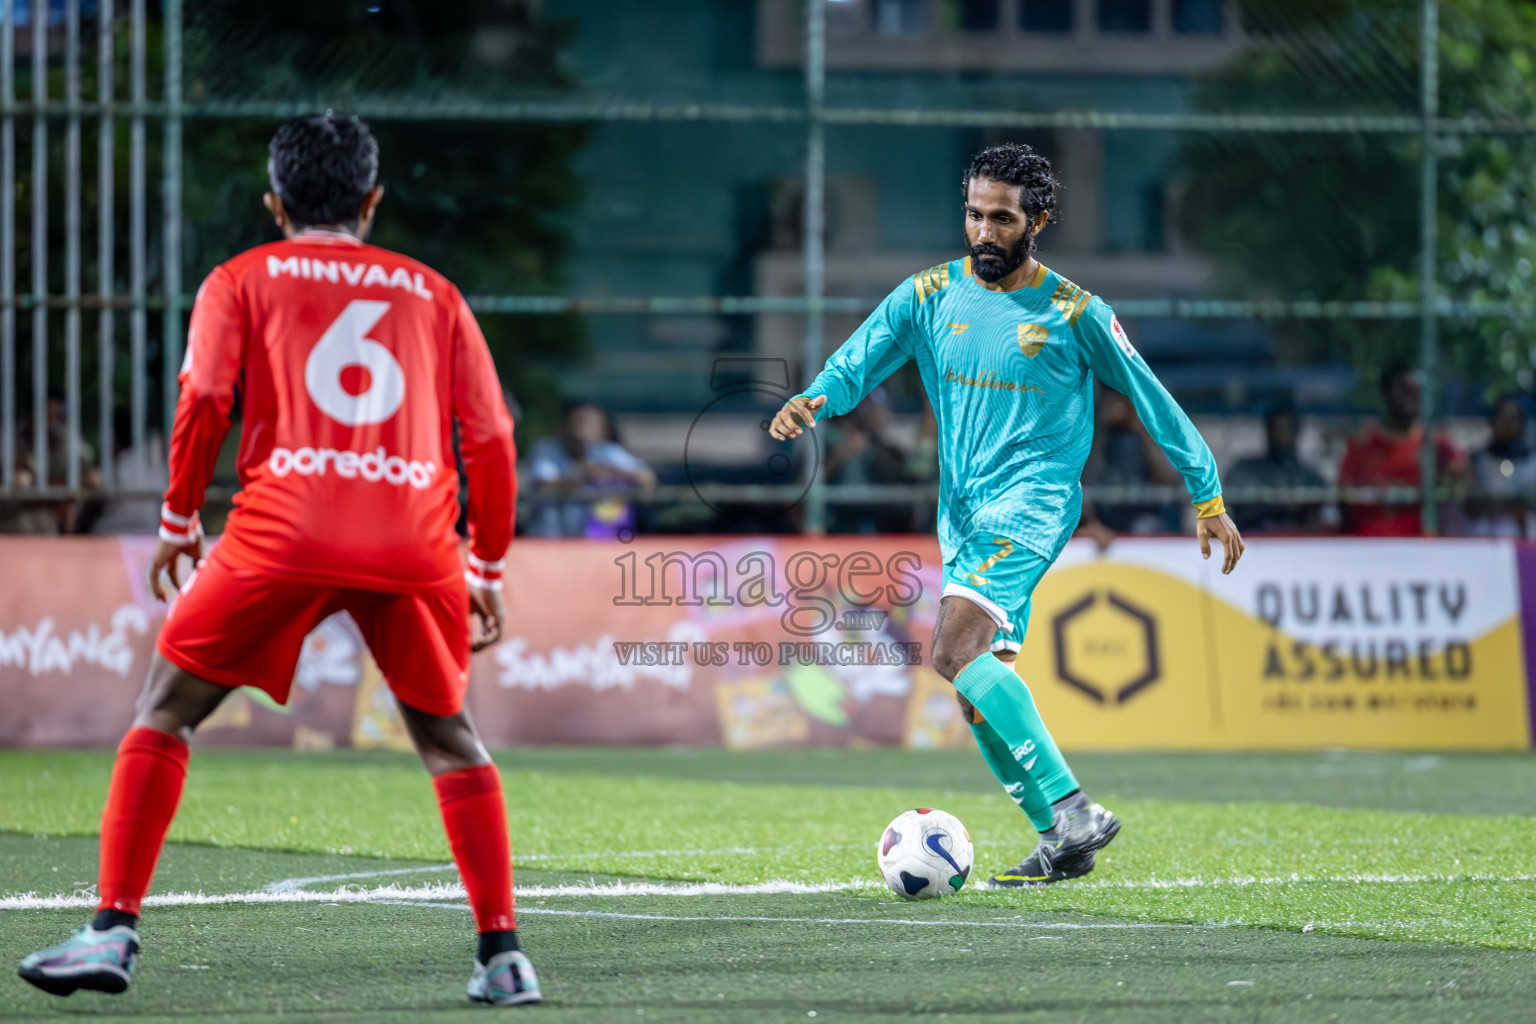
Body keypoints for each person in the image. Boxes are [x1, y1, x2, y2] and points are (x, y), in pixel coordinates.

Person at [18, 115, 539, 1007]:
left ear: (274, 202)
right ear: (373, 202)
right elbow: (490, 433)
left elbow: (205, 395)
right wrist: (485, 564)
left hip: (284, 528)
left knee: (165, 710)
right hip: (414, 537)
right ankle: (504, 955)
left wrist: (179, 516)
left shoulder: (241, 278)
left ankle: (111, 931)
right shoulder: (435, 292)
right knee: (452, 742)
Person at [770, 143, 1243, 887]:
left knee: (952, 650)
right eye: (973, 215)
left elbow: (1152, 398)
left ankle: (1073, 806)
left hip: (1035, 503)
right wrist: (816, 398)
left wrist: (1205, 493)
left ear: (1038, 222)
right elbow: (861, 358)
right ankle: (1063, 840)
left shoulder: (1076, 313)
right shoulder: (928, 296)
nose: (983, 232)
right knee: (976, 689)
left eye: (1001, 219)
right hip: (963, 512)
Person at [1337, 364, 1466, 536]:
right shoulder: (1362, 443)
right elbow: (1343, 497)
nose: (1413, 396)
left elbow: (1460, 484)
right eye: (1404, 389)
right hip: (1367, 544)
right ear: (1387, 392)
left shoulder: (1435, 442)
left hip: (1420, 544)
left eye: (1417, 390)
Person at [525, 400, 654, 538]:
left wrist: (607, 472)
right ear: (563, 426)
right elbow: (543, 485)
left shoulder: (608, 451)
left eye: (592, 423)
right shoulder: (545, 449)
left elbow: (647, 479)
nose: (584, 429)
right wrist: (581, 476)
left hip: (601, 541)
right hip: (548, 540)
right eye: (579, 421)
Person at [1224, 400, 1335, 534]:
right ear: (1267, 432)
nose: (1280, 436)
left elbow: (1315, 515)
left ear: (1296, 433)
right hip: (1253, 541)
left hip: (1300, 545)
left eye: (1285, 429)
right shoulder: (1244, 471)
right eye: (1275, 429)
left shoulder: (1311, 478)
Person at [1466, 394, 1536, 537]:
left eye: (1513, 418)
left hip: (1524, 535)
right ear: (1493, 420)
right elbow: (1470, 503)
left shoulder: (1531, 461)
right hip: (1486, 534)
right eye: (1502, 417)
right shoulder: (1479, 460)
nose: (1507, 424)